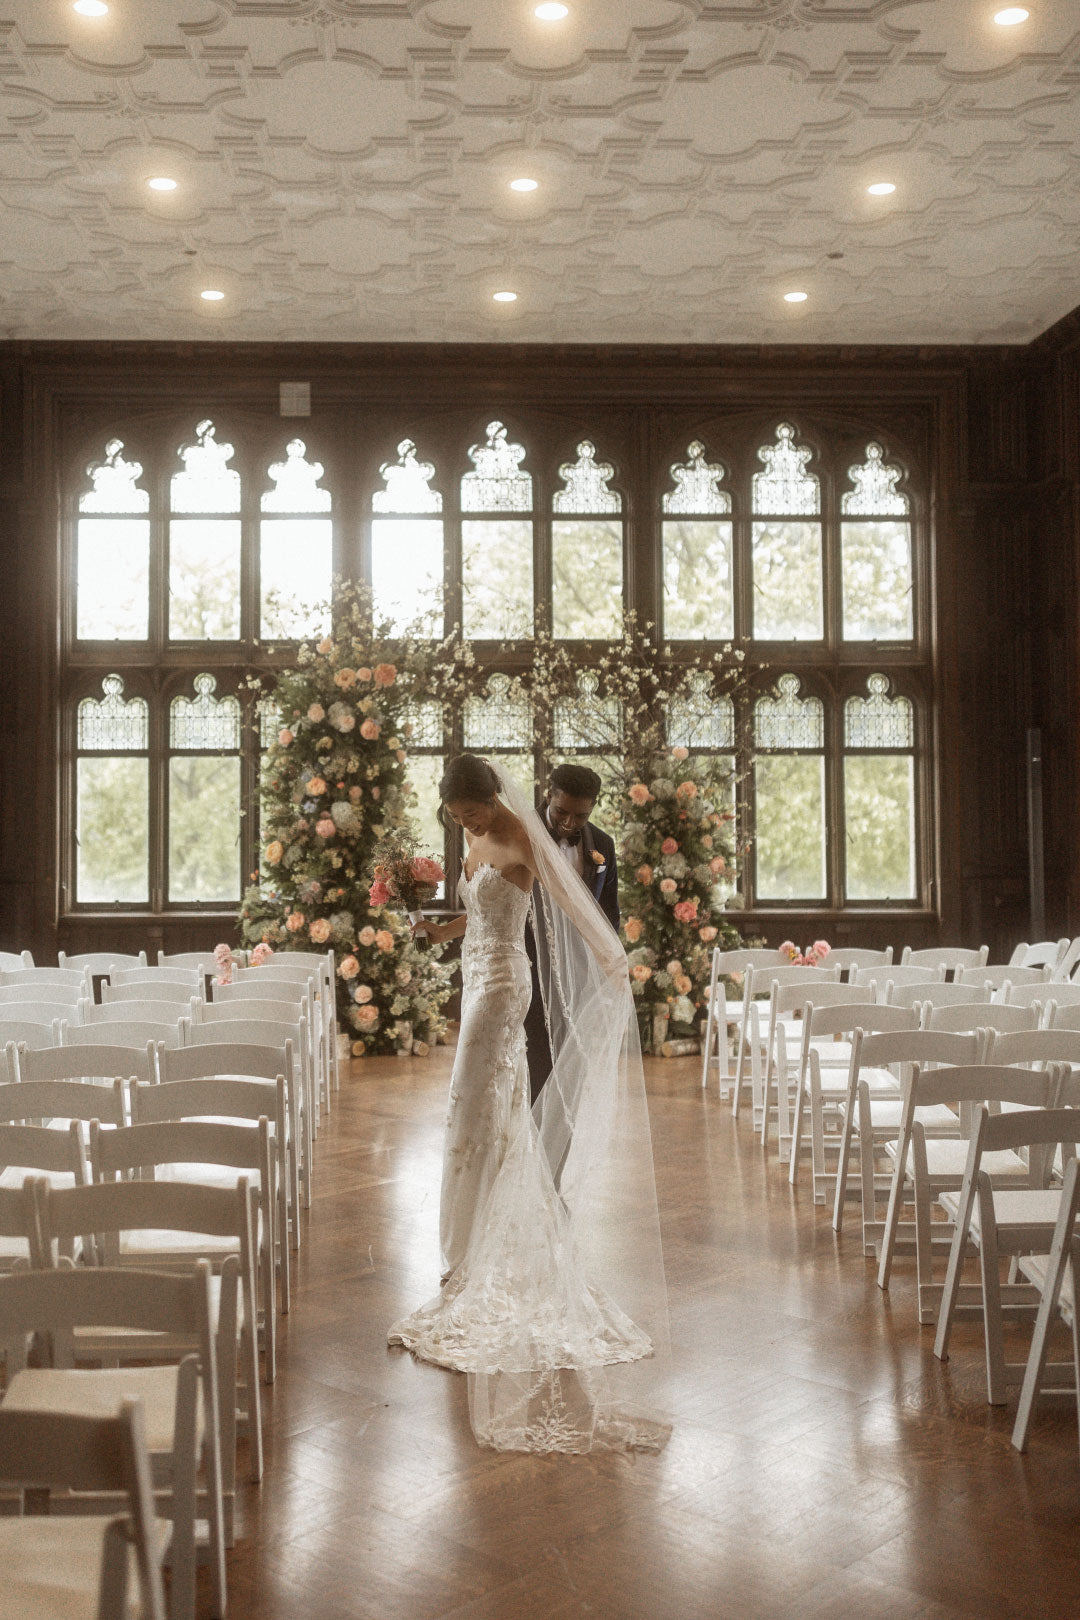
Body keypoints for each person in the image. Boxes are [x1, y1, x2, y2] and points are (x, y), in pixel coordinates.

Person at [387, 753, 669, 1456]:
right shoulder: (477, 839)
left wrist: (611, 960)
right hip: (474, 976)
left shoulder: (524, 841)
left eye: (472, 814)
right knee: (478, 1116)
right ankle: (471, 1255)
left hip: (505, 986)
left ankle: (475, 1259)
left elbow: (570, 905)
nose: (466, 825)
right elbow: (478, 912)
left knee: (474, 1111)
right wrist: (440, 932)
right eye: (458, 818)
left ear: (492, 799)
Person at [525, 762, 619, 1105]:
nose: (568, 823)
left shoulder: (603, 845)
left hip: (579, 967)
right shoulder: (521, 832)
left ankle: (565, 1122)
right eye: (561, 811)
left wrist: (606, 965)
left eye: (580, 817)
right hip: (528, 961)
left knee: (574, 1051)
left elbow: (608, 912)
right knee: (535, 1050)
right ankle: (536, 1123)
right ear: (548, 794)